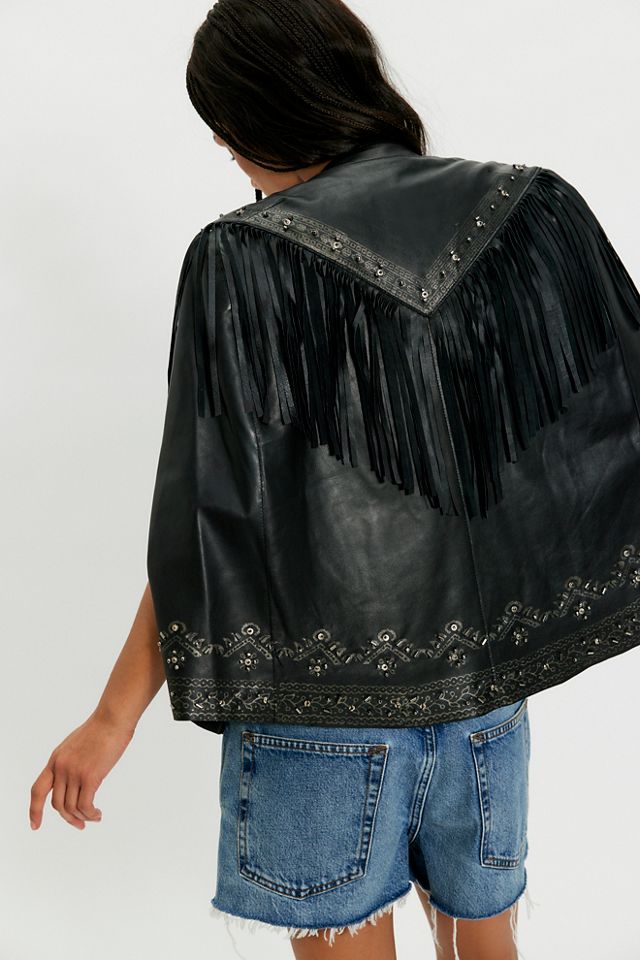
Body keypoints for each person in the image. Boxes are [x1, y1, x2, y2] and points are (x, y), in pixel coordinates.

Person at [29, 2, 640, 960]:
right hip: (486, 697)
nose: (226, 155)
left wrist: (113, 719)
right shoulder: (531, 209)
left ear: (255, 119)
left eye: (223, 132)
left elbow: (208, 521)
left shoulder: (241, 256)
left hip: (315, 711)